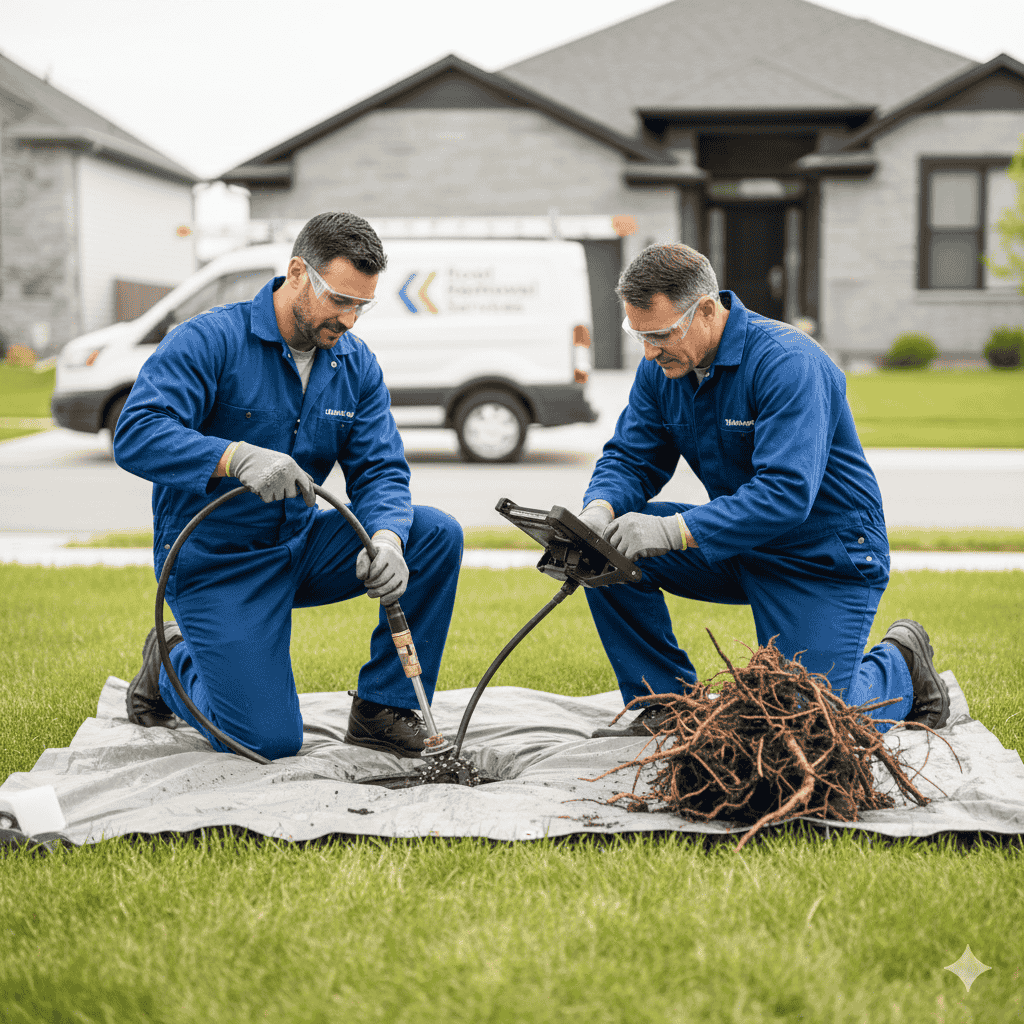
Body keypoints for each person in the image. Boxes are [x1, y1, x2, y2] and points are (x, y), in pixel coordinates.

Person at [114, 211, 463, 760]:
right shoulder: (210, 340)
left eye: (361, 305)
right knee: (266, 740)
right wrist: (234, 455)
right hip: (215, 565)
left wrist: (390, 539)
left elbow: (380, 471)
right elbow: (136, 434)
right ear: (298, 272)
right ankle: (169, 662)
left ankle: (382, 709)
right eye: (340, 300)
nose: (350, 319)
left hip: (299, 549)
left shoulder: (354, 362)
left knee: (433, 533)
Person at [577, 243, 950, 737]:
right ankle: (667, 704)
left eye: (661, 334)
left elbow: (786, 491)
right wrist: (598, 510)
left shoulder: (786, 363)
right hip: (738, 543)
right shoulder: (664, 369)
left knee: (810, 727)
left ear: (706, 310)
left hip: (823, 558)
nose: (649, 351)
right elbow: (631, 456)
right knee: (605, 552)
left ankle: (900, 661)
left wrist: (674, 529)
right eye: (638, 334)